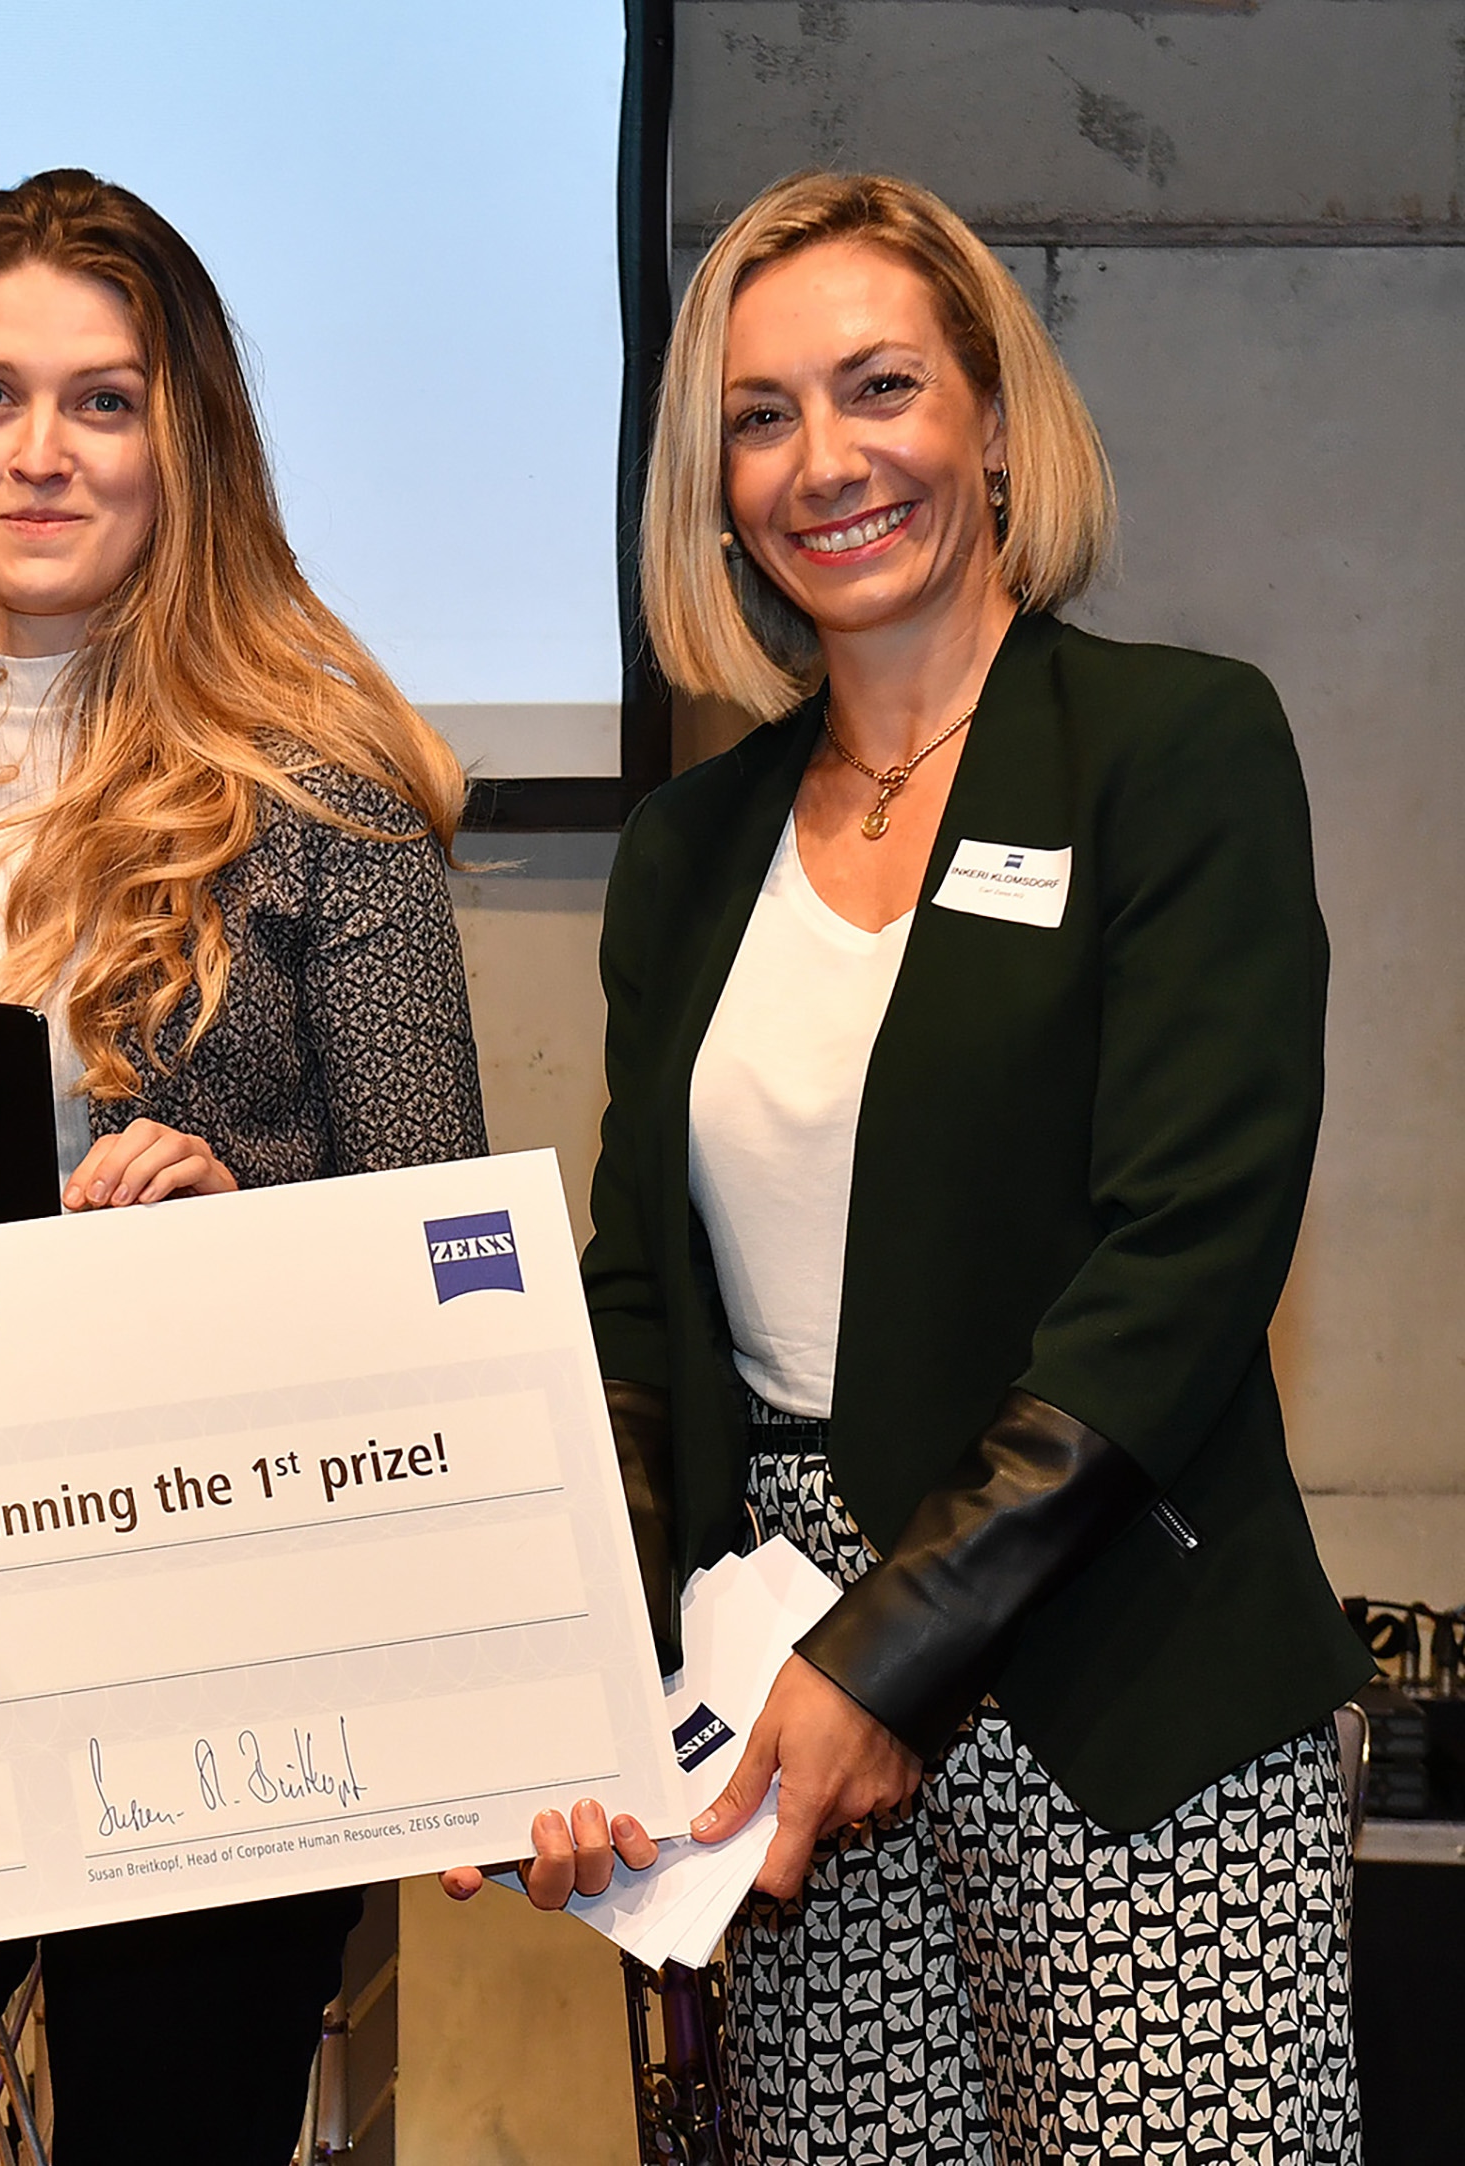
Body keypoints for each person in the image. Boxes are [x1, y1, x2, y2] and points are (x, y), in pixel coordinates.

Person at [565, 169, 1369, 2161]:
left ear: (994, 423)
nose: (826, 462)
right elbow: (640, 1310)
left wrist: (890, 1653)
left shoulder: (1172, 751)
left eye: (880, 388)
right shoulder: (687, 850)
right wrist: (588, 1682)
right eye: (761, 417)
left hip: (1111, 1679)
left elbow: (1180, 1263)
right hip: (776, 1707)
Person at [0, 168, 493, 2163]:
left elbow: (447, 1244)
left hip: (210, 1647)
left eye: (102, 401)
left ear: (183, 440)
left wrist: (245, 1231)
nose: (38, 452)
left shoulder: (320, 783)